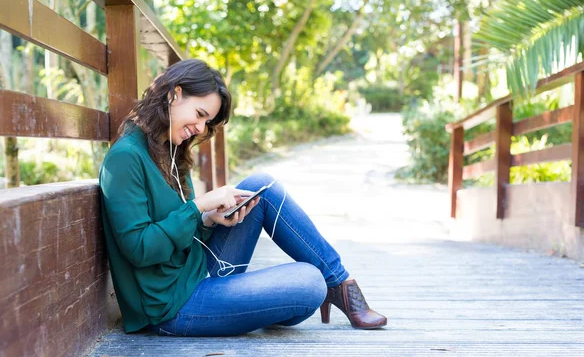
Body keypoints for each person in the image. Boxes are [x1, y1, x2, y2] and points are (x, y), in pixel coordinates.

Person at [99, 59, 387, 337]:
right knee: (309, 283)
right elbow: (140, 249)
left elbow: (179, 234)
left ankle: (341, 284)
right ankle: (318, 289)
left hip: (197, 272)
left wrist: (209, 221)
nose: (200, 130)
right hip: (169, 306)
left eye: (207, 122)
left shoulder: (169, 151)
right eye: (200, 115)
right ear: (175, 94)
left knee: (262, 186)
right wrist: (199, 206)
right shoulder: (125, 159)